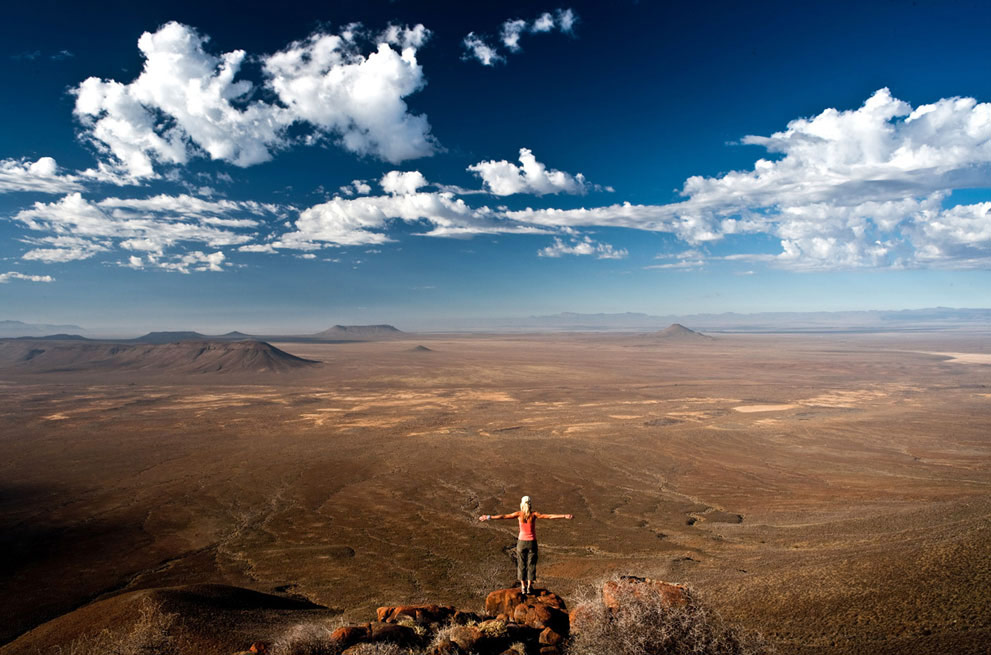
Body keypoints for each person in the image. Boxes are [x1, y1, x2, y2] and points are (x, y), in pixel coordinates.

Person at [479, 495, 573, 595]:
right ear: (530, 504)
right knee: (531, 564)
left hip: (521, 543)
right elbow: (549, 516)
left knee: (521, 564)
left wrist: (488, 517)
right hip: (532, 542)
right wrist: (564, 515)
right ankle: (529, 587)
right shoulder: (534, 514)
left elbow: (503, 516)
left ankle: (523, 586)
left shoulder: (519, 514)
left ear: (521, 504)